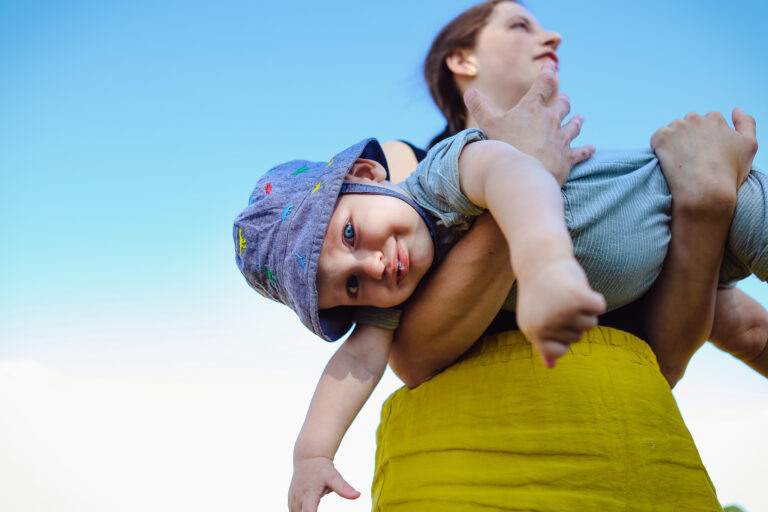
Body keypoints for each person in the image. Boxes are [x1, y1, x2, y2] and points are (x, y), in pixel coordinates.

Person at [234, 109, 764, 511]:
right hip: (677, 262)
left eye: (350, 232)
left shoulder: (440, 177)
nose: (373, 265)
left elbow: (518, 174)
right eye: (349, 286)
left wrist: (543, 260)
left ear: (371, 175)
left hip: (675, 198)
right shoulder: (393, 293)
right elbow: (354, 365)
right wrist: (311, 455)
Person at [369, 1, 765, 510]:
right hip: (467, 481)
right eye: (520, 25)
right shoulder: (408, 166)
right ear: (462, 60)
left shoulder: (610, 203)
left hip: (643, 472)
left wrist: (704, 206)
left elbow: (662, 364)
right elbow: (411, 355)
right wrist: (530, 178)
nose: (554, 36)